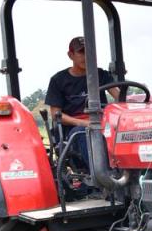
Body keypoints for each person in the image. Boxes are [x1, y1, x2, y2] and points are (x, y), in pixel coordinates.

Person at [45, 36, 119, 169]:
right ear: (70, 55)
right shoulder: (58, 80)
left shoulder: (101, 75)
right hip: (74, 129)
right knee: (84, 132)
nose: (86, 56)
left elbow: (119, 96)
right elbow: (56, 114)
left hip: (102, 123)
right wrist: (84, 123)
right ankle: (101, 175)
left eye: (89, 52)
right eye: (81, 52)